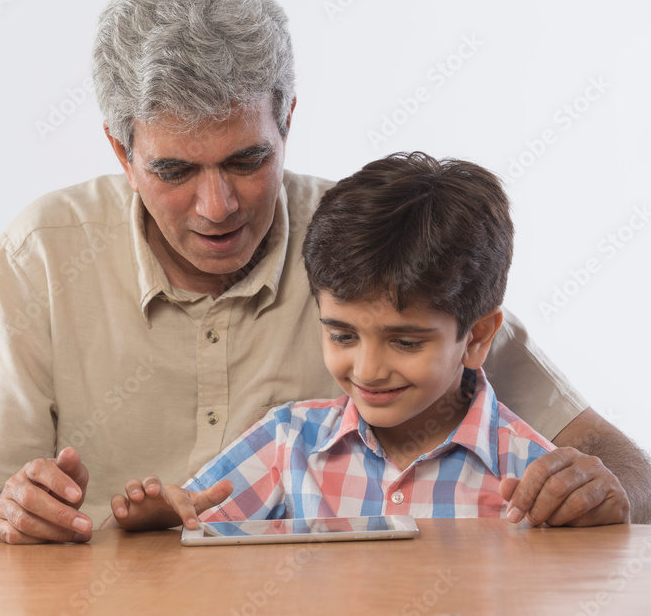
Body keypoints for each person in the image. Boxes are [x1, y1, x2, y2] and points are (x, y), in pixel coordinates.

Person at [0, 0, 649, 545]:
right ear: (121, 148)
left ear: (287, 119)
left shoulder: (363, 248)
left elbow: (626, 472)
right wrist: (6, 517)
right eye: (174, 171)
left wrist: (596, 489)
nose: (217, 207)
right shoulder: (43, 253)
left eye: (246, 160)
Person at [108, 153, 629, 529]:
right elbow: (189, 528)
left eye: (404, 342)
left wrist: (600, 526)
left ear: (476, 338)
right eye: (342, 334)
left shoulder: (536, 474)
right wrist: (156, 523)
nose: (368, 369)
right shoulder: (287, 443)